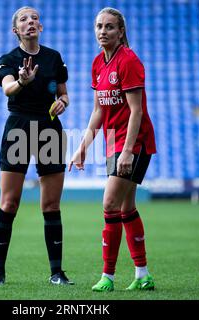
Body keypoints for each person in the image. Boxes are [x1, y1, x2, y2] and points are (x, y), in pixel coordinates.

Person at [69, 7, 157, 292]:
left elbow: (136, 111)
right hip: (114, 142)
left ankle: (108, 276)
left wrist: (129, 151)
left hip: (134, 141)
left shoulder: (129, 61)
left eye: (109, 27)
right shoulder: (98, 63)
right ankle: (142, 275)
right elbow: (97, 111)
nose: (103, 31)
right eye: (99, 26)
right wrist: (82, 147)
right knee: (126, 207)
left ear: (121, 32)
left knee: (109, 203)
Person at [0, 6, 74, 286]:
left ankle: (57, 273)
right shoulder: (8, 60)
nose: (31, 22)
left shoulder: (53, 58)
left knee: (51, 204)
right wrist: (23, 82)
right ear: (16, 30)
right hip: (19, 128)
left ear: (41, 26)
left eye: (35, 18)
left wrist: (62, 102)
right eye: (24, 19)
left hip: (49, 127)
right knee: (10, 202)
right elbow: (8, 88)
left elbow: (64, 94)